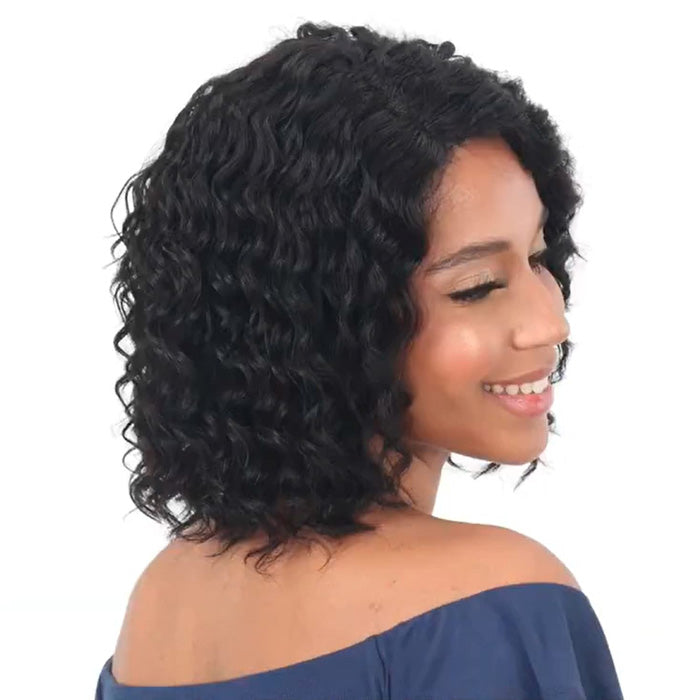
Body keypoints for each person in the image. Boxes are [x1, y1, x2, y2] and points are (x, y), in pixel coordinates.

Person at [95, 21, 624, 699]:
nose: (550, 321)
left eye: (540, 258)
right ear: (319, 318)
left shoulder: (164, 599)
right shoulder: (489, 601)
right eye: (477, 286)